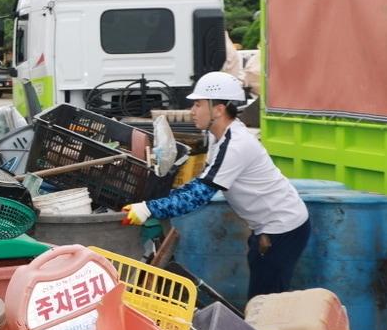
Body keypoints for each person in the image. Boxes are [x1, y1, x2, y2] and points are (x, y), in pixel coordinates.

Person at [122, 71, 310, 299]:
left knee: (265, 301)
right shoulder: (217, 137)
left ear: (218, 109)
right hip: (268, 227)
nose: (192, 112)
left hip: (282, 229)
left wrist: (149, 208)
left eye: (198, 105)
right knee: (261, 296)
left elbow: (200, 194)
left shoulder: (236, 145)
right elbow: (200, 182)